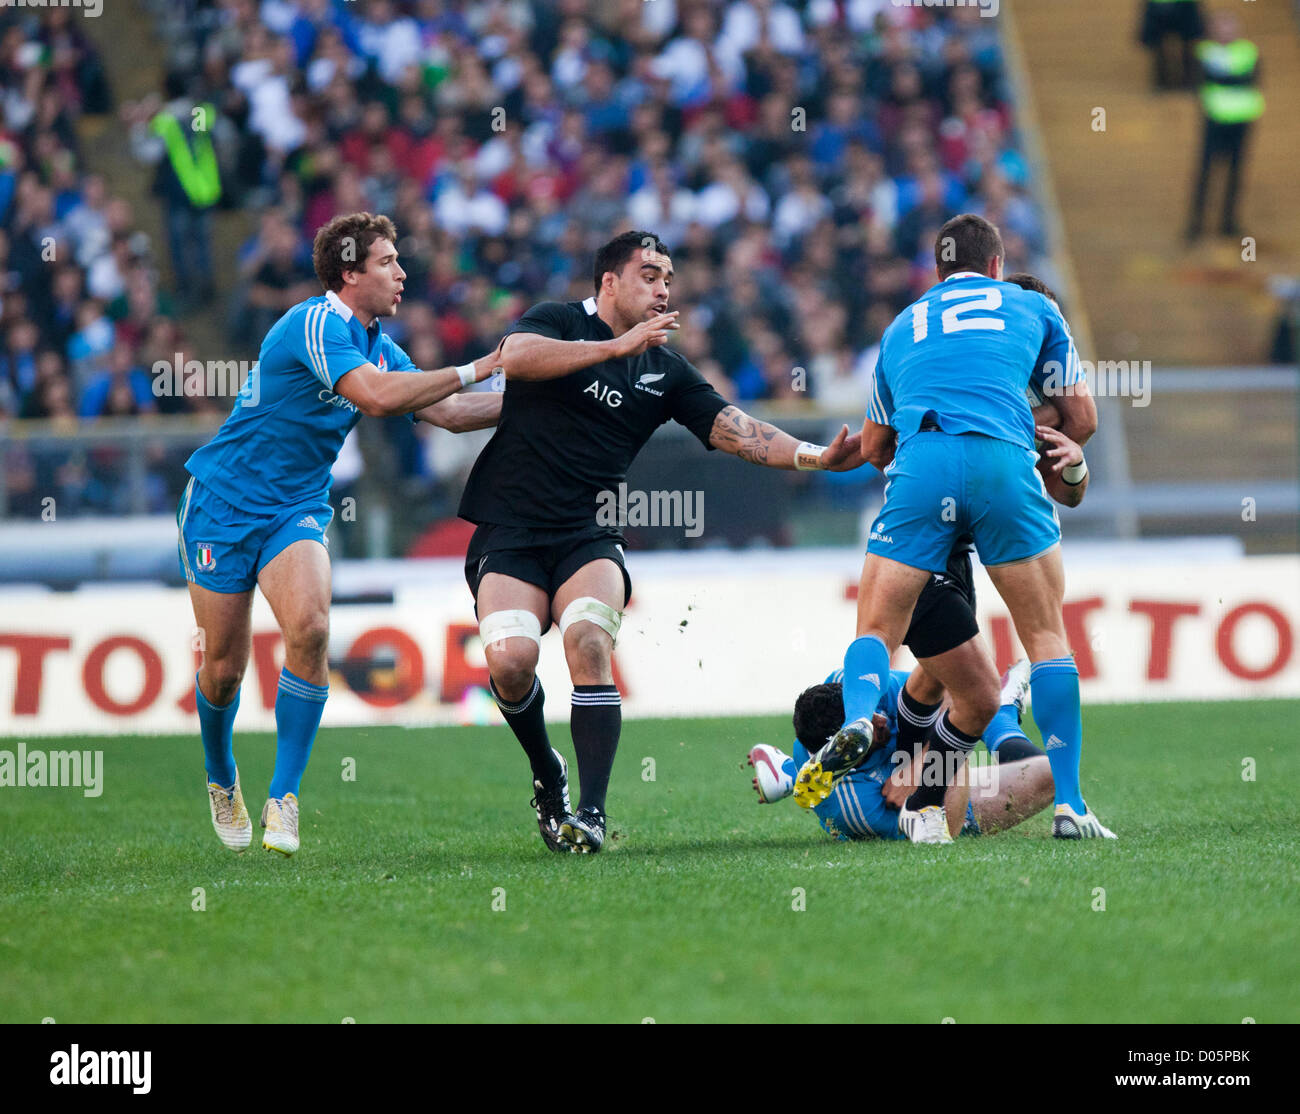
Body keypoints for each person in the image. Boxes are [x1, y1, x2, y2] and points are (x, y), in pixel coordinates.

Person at [463, 229, 866, 853]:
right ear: (609, 282)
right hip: (509, 529)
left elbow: (739, 428)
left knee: (589, 640)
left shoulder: (665, 370)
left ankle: (591, 814)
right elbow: (515, 359)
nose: (663, 289)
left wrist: (815, 456)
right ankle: (548, 772)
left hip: (587, 531)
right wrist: (614, 348)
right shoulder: (559, 320)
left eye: (669, 279)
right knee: (511, 664)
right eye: (649, 274)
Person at [180, 211, 502, 856]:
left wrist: (551, 397)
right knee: (222, 670)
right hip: (221, 504)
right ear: (351, 273)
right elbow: (381, 398)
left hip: (295, 507)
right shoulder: (315, 323)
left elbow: (450, 412)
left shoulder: (378, 343)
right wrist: (482, 364)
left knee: (314, 629)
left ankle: (284, 797)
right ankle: (221, 779)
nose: (402, 272)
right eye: (388, 262)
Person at [795, 215, 1116, 843]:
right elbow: (1082, 418)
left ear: (937, 273)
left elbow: (880, 446)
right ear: (996, 267)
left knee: (881, 633)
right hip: (1002, 466)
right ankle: (1071, 806)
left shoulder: (900, 326)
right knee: (1045, 640)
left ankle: (866, 730)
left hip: (924, 472)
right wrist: (1023, 428)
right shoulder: (1033, 306)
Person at [749, 664, 1054, 842]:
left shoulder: (852, 685)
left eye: (867, 716)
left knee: (963, 686)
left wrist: (921, 761)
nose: (880, 721)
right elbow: (948, 824)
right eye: (866, 732)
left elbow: (947, 684)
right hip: (944, 798)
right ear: (844, 756)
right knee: (1049, 775)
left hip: (915, 751)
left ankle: (789, 772)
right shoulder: (853, 805)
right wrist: (951, 750)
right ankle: (1002, 712)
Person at [1186, 10, 1264, 239]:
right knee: (1206, 172)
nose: (1226, 31)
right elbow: (1199, 80)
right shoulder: (1204, 52)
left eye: (1230, 25)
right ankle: (1196, 224)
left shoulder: (1248, 51)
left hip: (1242, 120)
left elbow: (1251, 79)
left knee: (1236, 173)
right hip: (1215, 120)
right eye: (1221, 26)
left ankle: (1228, 222)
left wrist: (1222, 78)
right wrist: (1231, 79)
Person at [1138, 0, 1204, 91]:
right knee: (1157, 45)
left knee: (1190, 44)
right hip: (1158, 5)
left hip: (1185, 4)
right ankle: (1162, 81)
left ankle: (1188, 80)